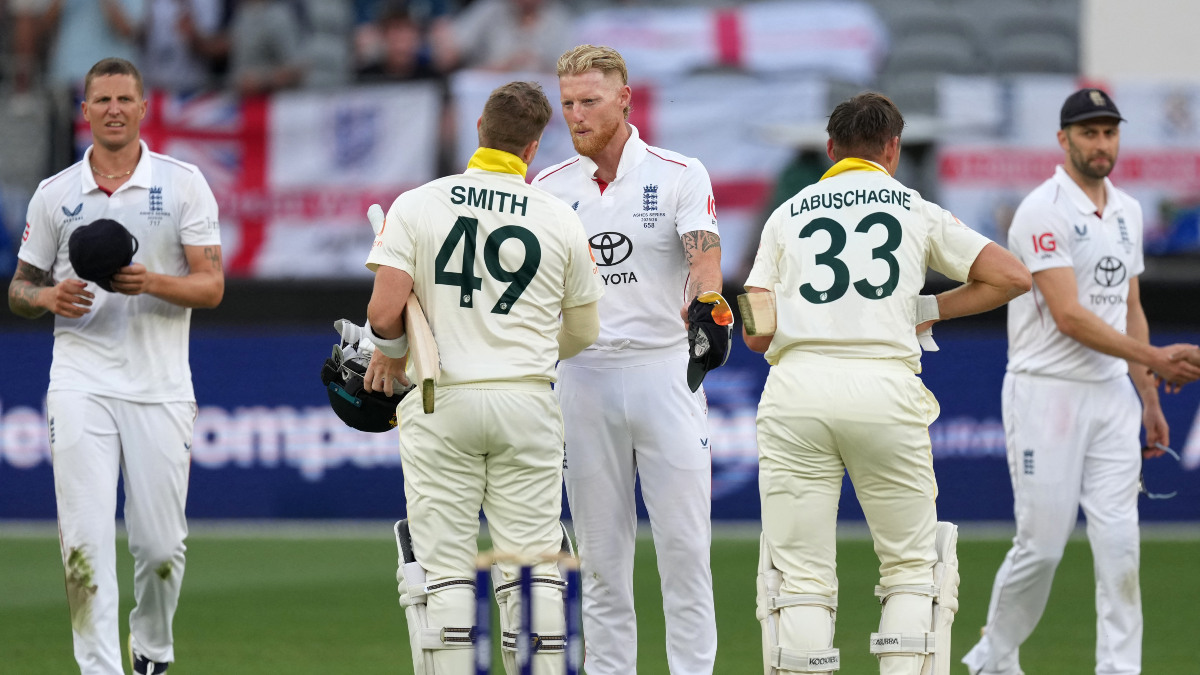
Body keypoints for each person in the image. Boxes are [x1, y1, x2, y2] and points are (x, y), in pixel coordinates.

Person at [741, 92, 1031, 675]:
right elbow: (1011, 276)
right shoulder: (913, 207)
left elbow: (754, 322)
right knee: (911, 569)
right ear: (893, 148)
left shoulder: (787, 213)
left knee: (798, 576)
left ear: (829, 150)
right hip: (884, 388)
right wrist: (928, 309)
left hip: (797, 389)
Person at [362, 80, 603, 675]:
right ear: (532, 147)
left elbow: (382, 314)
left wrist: (393, 351)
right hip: (527, 399)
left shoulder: (417, 204)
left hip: (442, 399)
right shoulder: (559, 219)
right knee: (532, 573)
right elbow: (583, 331)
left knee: (445, 574)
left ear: (478, 131)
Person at [962, 88, 1200, 675]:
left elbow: (1131, 303)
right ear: (1064, 139)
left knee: (1121, 546)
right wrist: (1155, 357)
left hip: (1113, 396)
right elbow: (1069, 316)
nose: (1101, 144)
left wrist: (1146, 391)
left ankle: (1120, 669)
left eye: (1109, 133)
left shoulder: (1128, 210)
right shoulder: (1042, 210)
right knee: (1041, 547)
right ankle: (993, 659)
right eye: (1089, 133)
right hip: (1047, 391)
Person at [7, 57, 223, 675]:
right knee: (84, 541)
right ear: (85, 112)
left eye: (124, 98)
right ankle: (98, 668)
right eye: (101, 100)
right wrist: (47, 297)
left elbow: (211, 288)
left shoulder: (183, 183)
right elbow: (19, 289)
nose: (113, 109)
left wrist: (150, 281)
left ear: (144, 106)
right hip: (79, 381)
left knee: (161, 548)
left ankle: (152, 649)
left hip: (160, 386)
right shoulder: (55, 194)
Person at [532, 44, 724, 675]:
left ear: (624, 99)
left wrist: (709, 305)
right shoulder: (548, 187)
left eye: (589, 101)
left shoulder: (677, 172)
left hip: (663, 372)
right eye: (567, 105)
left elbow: (704, 255)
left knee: (685, 550)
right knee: (601, 559)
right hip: (581, 377)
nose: (577, 116)